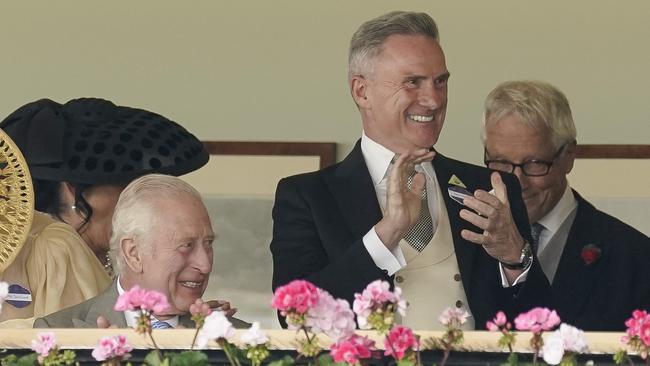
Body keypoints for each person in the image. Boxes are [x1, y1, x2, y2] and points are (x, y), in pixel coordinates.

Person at [270, 11, 550, 330]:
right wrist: (387, 232)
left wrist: (515, 256)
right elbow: (295, 316)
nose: (432, 100)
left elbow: (541, 321)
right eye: (412, 82)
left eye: (440, 82)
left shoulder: (489, 188)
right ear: (362, 92)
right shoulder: (307, 196)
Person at [0, 98, 209, 323]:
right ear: (73, 188)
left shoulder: (113, 259)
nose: (138, 203)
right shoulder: (54, 249)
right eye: (128, 189)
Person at [482, 80, 650, 330]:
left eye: (534, 163)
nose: (517, 182)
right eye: (501, 163)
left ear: (568, 156)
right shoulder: (466, 244)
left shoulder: (635, 258)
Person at [34, 174, 248, 328]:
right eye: (187, 246)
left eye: (208, 244)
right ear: (134, 253)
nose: (205, 265)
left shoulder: (237, 339)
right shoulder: (59, 333)